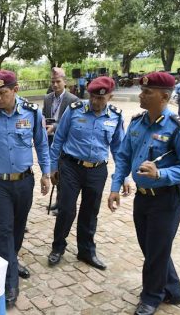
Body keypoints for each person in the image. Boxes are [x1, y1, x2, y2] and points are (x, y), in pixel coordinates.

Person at [108, 72, 180, 315]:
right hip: (142, 197)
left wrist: (161, 174)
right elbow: (124, 156)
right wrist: (116, 187)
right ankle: (173, 289)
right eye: (142, 90)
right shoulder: (137, 123)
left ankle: (151, 296)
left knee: (157, 250)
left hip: (167, 199)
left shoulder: (178, 128)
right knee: (151, 248)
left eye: (148, 92)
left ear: (165, 97)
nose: (142, 94)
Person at [0, 70, 51, 308]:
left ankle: (11, 260)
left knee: (19, 226)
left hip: (25, 180)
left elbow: (42, 145)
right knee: (4, 229)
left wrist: (46, 174)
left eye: (3, 93)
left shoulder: (32, 113)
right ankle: (10, 282)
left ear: (15, 90)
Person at [47, 76, 128, 270]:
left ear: (110, 96)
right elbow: (59, 139)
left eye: (101, 98)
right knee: (66, 210)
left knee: (90, 212)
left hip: (97, 170)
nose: (96, 102)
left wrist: (123, 176)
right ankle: (58, 247)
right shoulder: (74, 110)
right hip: (71, 167)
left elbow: (119, 149)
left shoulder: (115, 116)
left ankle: (86, 250)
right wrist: (53, 167)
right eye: (92, 97)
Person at [41, 67, 80, 215]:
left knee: (64, 172)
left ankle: (63, 204)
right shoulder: (47, 98)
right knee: (54, 170)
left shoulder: (72, 99)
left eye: (58, 81)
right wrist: (43, 125)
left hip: (65, 141)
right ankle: (58, 202)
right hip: (50, 140)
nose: (55, 85)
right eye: (53, 82)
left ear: (65, 82)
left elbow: (72, 123)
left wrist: (55, 127)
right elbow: (44, 116)